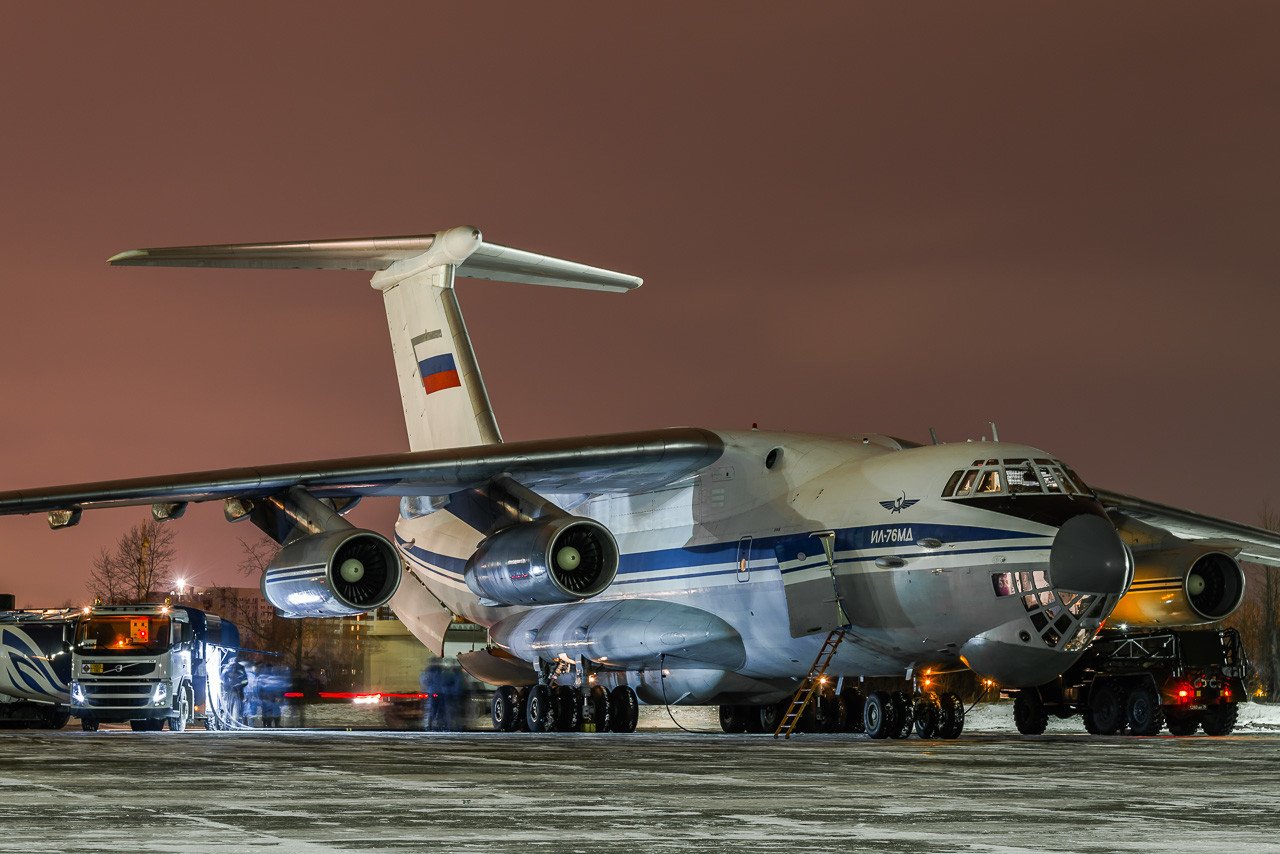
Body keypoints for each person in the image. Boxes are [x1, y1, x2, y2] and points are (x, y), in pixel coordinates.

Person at [420, 658, 445, 731]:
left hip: (432, 692)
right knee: (439, 710)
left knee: (432, 709)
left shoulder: (428, 670)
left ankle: (429, 725)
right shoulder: (442, 670)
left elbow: (425, 681)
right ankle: (439, 725)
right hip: (440, 692)